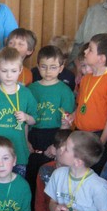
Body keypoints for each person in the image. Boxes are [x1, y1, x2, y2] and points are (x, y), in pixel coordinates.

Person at [67, 33, 107, 174]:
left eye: (90, 49)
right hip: (79, 133)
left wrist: (100, 143)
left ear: (101, 59)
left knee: (92, 175)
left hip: (97, 137)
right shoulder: (86, 79)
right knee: (75, 172)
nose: (85, 51)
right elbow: (82, 105)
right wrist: (73, 115)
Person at [26, 45, 76, 194]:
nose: (48, 71)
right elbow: (25, 119)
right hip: (34, 135)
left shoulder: (65, 91)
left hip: (54, 135)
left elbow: (66, 124)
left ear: (61, 68)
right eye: (44, 67)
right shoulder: (31, 89)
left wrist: (56, 145)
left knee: (50, 180)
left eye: (53, 67)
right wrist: (26, 141)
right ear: (38, 67)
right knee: (32, 176)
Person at [0, 47, 37, 177]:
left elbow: (34, 119)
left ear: (20, 70)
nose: (9, 75)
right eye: (4, 71)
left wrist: (26, 117)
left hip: (18, 151)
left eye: (13, 71)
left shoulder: (26, 93)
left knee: (17, 184)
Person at [33, 129, 71, 211]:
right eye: (64, 149)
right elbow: (40, 201)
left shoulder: (76, 173)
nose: (67, 153)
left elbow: (74, 207)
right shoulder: (45, 169)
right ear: (54, 150)